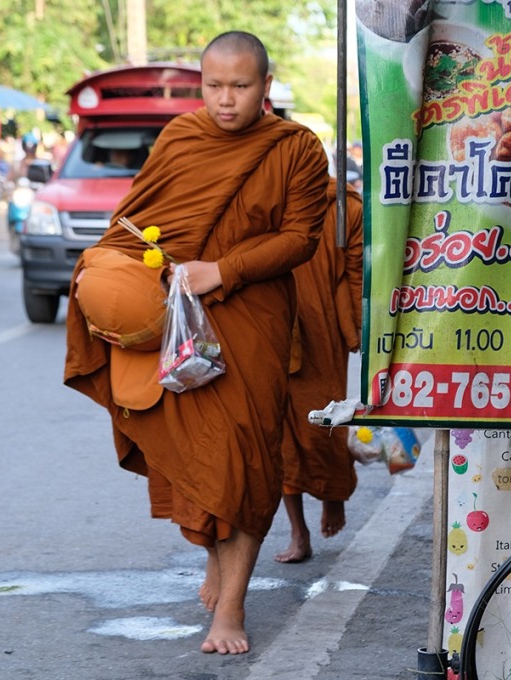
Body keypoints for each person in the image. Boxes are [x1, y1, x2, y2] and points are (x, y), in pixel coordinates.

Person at [63, 31, 329, 655]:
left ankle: (232, 608)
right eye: (214, 86)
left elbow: (300, 239)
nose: (226, 101)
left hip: (253, 322)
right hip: (178, 320)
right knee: (191, 454)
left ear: (266, 86)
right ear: (200, 84)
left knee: (244, 458)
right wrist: (108, 278)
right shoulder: (181, 139)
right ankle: (215, 555)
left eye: (240, 87)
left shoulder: (296, 148)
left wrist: (224, 270)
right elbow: (131, 225)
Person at [275, 177, 364, 563]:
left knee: (322, 426)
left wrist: (362, 327)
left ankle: (334, 494)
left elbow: (358, 270)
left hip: (321, 330)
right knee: (277, 439)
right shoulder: (267, 203)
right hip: (273, 327)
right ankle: (298, 532)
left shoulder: (346, 209)